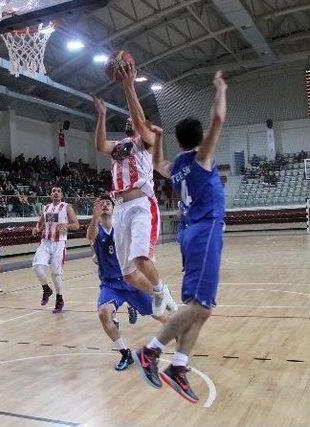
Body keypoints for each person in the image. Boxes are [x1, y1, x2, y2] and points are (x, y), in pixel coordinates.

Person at [132, 71, 228, 403]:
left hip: (191, 234)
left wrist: (157, 136)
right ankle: (151, 349)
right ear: (200, 139)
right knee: (200, 305)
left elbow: (157, 161)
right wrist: (220, 89)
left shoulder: (177, 166)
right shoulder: (202, 158)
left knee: (201, 309)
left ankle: (180, 366)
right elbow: (218, 118)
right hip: (204, 231)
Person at [92, 66, 177, 318]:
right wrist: (102, 115)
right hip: (120, 208)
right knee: (128, 274)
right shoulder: (119, 145)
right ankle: (160, 293)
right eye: (128, 120)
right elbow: (99, 145)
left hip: (141, 203)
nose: (130, 121)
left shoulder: (144, 141)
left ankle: (161, 289)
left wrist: (128, 85)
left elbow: (139, 120)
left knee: (141, 258)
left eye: (135, 121)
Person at [88, 195, 169, 371]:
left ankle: (178, 331)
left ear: (114, 207)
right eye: (102, 204)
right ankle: (125, 354)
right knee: (103, 314)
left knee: (160, 315)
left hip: (132, 282)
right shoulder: (97, 229)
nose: (105, 206)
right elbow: (90, 237)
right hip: (110, 285)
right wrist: (94, 217)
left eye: (108, 203)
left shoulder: (122, 226)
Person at [32, 186, 79, 314]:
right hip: (45, 242)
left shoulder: (67, 207)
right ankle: (46, 289)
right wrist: (37, 228)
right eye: (54, 191)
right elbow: (40, 223)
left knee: (55, 273)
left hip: (59, 244)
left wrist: (67, 225)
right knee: (37, 267)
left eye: (58, 191)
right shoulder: (46, 208)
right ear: (50, 194)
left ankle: (59, 298)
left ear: (62, 194)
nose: (56, 193)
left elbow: (76, 225)